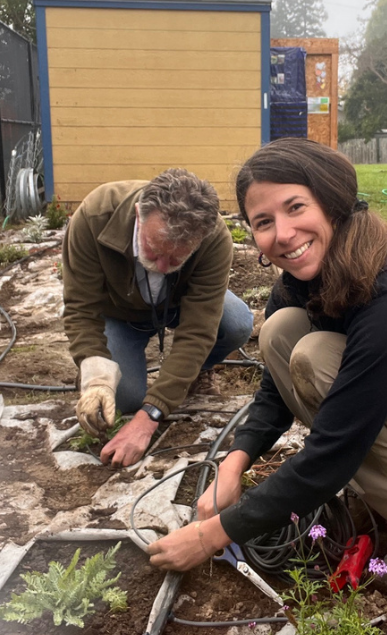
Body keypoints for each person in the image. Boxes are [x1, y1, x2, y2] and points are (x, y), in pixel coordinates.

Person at [148, 138, 387, 593]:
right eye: (263, 222)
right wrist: (233, 464)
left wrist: (211, 535)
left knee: (315, 357)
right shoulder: (302, 281)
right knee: (281, 331)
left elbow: (336, 447)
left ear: (333, 201)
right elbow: (274, 391)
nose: (283, 233)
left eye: (296, 207)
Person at [62, 169, 254, 468]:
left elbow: (198, 331)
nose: (162, 267)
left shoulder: (213, 237)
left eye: (177, 259)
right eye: (153, 249)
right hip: (118, 313)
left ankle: (199, 372)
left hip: (177, 305)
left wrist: (150, 416)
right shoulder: (95, 216)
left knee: (236, 322)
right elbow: (81, 308)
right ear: (139, 215)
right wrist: (97, 377)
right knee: (123, 400)